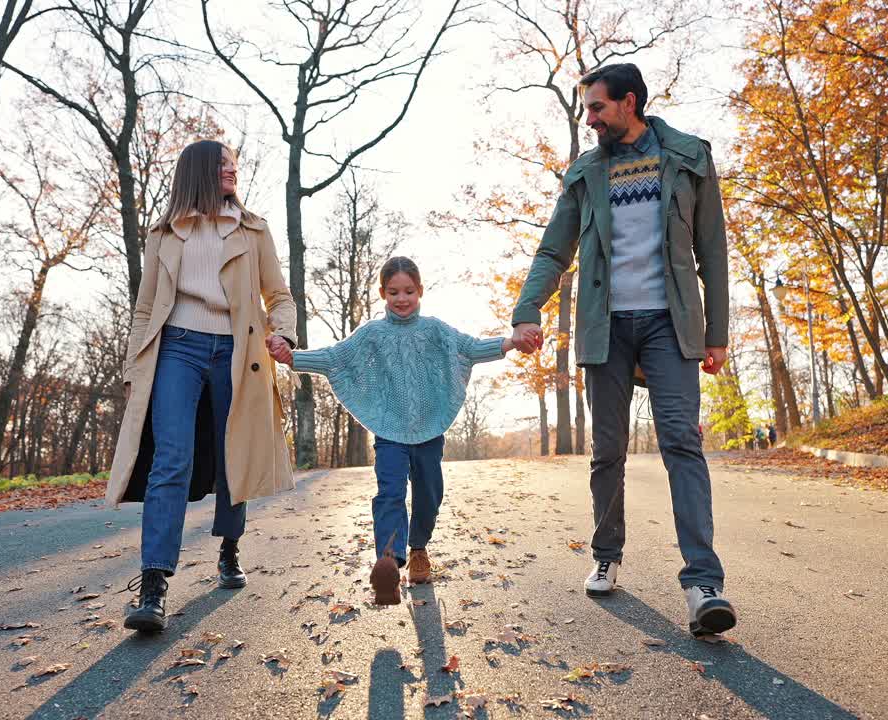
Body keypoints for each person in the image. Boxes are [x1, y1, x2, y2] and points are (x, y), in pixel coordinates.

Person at [508, 63, 737, 637]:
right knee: (607, 449)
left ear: (628, 103)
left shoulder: (687, 157)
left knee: (682, 443)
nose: (590, 119)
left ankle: (703, 584)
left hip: (671, 323)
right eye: (587, 109)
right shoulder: (585, 174)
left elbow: (713, 248)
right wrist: (526, 309)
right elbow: (551, 252)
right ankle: (607, 552)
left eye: (597, 108)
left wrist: (717, 333)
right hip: (604, 326)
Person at [107, 139, 298, 633]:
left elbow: (278, 294)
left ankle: (229, 547)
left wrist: (284, 332)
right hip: (176, 348)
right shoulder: (166, 234)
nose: (232, 170)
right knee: (172, 457)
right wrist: (134, 369)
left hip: (237, 352)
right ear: (198, 172)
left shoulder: (253, 229)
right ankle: (153, 585)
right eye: (222, 165)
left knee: (233, 453)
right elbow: (146, 307)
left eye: (234, 164)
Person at [270, 257, 512, 605]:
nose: (402, 298)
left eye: (409, 291)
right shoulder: (372, 334)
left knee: (430, 495)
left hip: (429, 429)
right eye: (394, 292)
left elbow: (469, 348)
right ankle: (388, 560)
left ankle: (418, 549)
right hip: (390, 432)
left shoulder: (435, 330)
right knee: (390, 493)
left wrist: (510, 342)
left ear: (420, 291)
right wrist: (292, 357)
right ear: (383, 293)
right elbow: (335, 358)